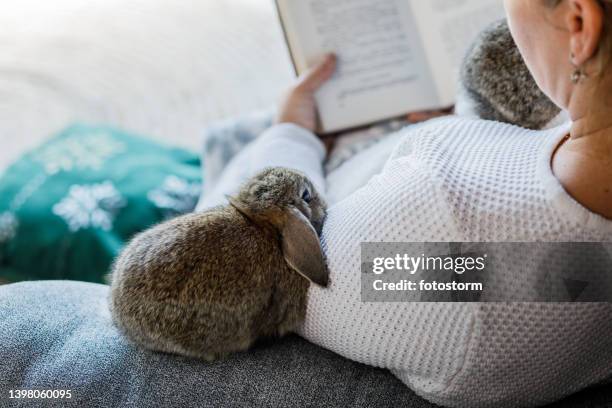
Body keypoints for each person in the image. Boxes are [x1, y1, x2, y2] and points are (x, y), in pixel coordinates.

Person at [197, 0, 612, 406]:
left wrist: (290, 135)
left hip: (327, 192)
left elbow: (267, 261)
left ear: (579, 23)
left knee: (238, 145)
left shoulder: (442, 232)